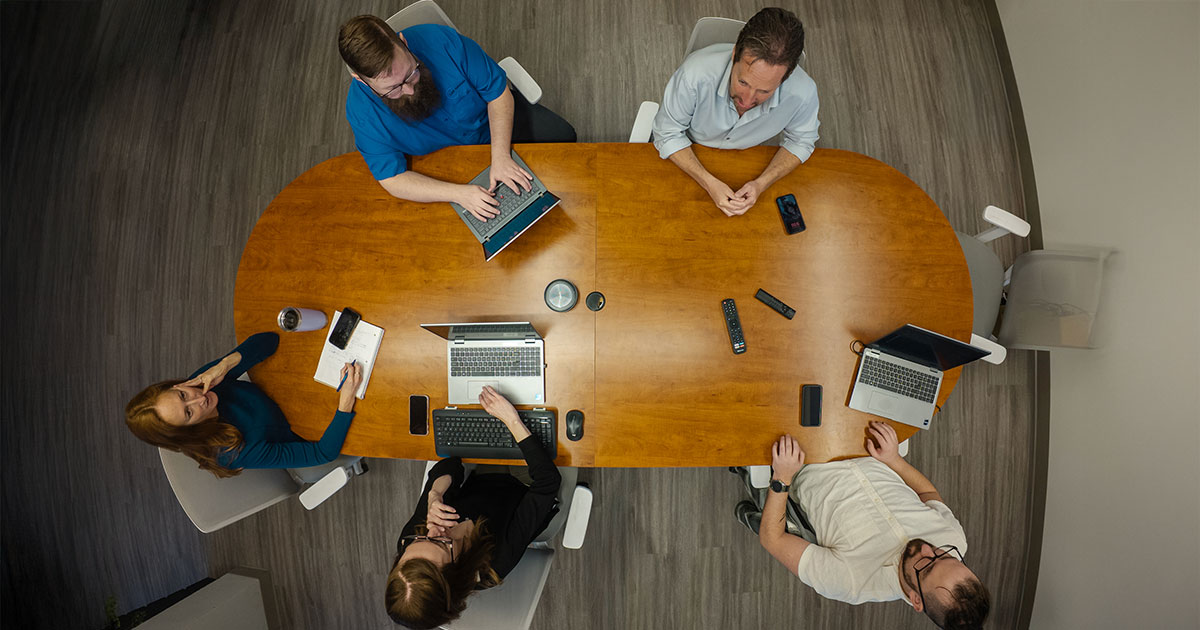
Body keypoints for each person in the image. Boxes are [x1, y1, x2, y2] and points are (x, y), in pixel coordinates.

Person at [735, 422, 990, 629]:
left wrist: (782, 478)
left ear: (915, 600)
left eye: (927, 566)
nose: (928, 549)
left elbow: (773, 539)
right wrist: (893, 460)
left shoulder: (851, 582)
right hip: (860, 437)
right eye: (946, 554)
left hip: (808, 454)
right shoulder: (956, 540)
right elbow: (928, 494)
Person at [337, 15, 576, 223]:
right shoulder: (361, 114)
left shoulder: (441, 41)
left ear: (404, 43)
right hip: (448, 165)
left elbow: (497, 92)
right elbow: (391, 178)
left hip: (497, 123)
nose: (409, 89)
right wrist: (459, 194)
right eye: (393, 89)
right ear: (361, 80)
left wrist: (501, 156)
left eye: (411, 73)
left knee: (564, 138)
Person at [385, 386, 561, 629]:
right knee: (550, 410)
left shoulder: (414, 541)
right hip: (526, 486)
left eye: (419, 539)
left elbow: (451, 465)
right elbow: (547, 483)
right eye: (440, 542)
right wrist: (511, 419)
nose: (432, 531)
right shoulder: (496, 561)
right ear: (459, 570)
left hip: (484, 476)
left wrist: (435, 495)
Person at [652, 7, 820, 217]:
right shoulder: (694, 74)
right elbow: (667, 132)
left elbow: (802, 141)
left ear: (787, 76)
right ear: (734, 55)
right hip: (689, 150)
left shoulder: (803, 93)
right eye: (743, 82)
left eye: (764, 91)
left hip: (746, 162)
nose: (747, 101)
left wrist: (761, 183)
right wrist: (708, 182)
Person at [125, 332, 363, 477]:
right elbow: (322, 453)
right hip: (313, 426)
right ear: (188, 430)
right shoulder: (233, 452)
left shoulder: (199, 384)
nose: (199, 399)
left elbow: (270, 341)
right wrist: (346, 401)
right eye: (189, 412)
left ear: (177, 386)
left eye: (183, 396)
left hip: (293, 391)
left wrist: (225, 365)